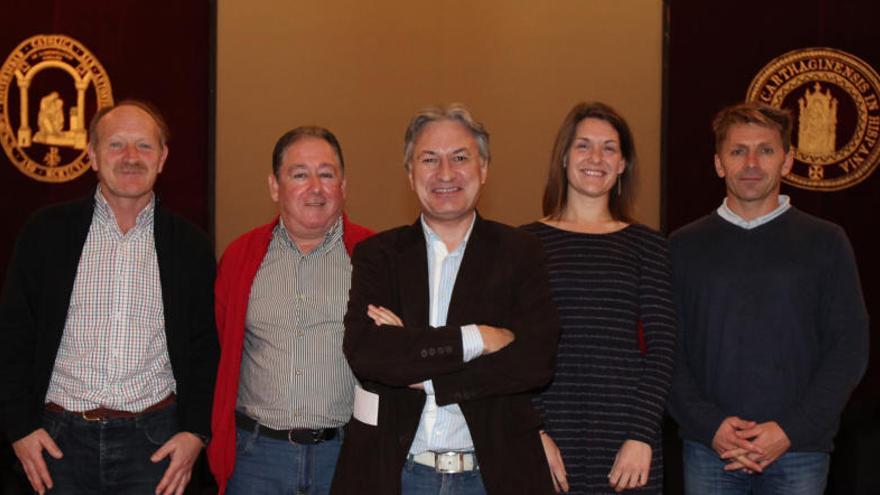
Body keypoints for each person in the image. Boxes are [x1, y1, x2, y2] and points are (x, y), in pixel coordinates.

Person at [331, 104, 560, 494]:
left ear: (484, 169)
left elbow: (533, 362)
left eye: (460, 158)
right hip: (395, 475)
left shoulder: (521, 252)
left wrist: (420, 365)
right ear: (409, 174)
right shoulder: (378, 255)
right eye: (429, 160)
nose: (445, 174)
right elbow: (368, 354)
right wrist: (478, 339)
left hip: (491, 478)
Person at [0, 100, 219, 495]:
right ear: (92, 156)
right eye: (117, 145)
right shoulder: (44, 233)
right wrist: (18, 428)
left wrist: (195, 434)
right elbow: (12, 337)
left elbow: (205, 350)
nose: (131, 157)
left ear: (163, 157)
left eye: (145, 146)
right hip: (55, 446)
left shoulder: (192, 246)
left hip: (155, 448)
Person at [668, 102, 869, 494]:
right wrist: (710, 427)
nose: (752, 163)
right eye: (738, 151)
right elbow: (667, 351)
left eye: (766, 150)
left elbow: (849, 348)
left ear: (788, 161)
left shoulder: (827, 242)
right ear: (718, 163)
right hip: (710, 451)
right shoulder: (682, 246)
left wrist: (791, 430)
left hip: (798, 452)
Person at [207, 126, 372, 494]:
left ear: (343, 186)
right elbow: (218, 349)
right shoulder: (239, 258)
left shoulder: (375, 256)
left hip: (346, 455)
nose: (315, 187)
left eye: (326, 174)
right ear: (274, 186)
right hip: (257, 456)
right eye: (299, 174)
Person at [523, 102, 676, 494]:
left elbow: (663, 349)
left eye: (609, 148)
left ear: (623, 163)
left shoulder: (648, 246)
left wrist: (642, 436)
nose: (596, 158)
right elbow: (513, 352)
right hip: (546, 437)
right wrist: (533, 432)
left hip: (628, 443)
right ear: (563, 157)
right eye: (583, 146)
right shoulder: (523, 244)